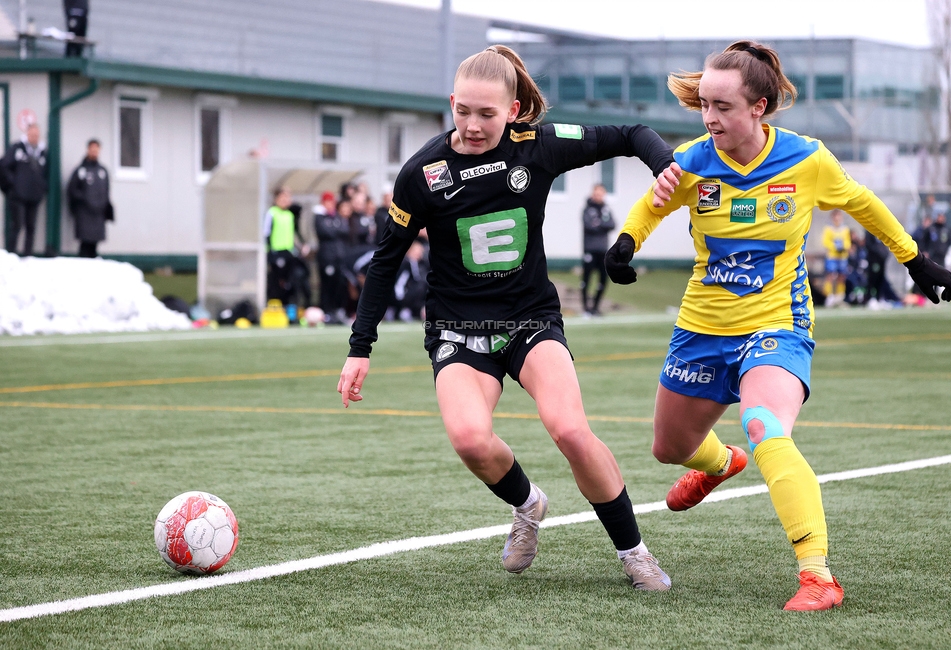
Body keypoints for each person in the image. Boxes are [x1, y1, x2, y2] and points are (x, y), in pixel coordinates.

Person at [605, 40, 951, 610]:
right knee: (669, 448)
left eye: (722, 106)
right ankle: (722, 464)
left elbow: (863, 203)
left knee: (765, 425)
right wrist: (625, 245)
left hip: (777, 322)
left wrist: (915, 259)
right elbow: (653, 204)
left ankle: (818, 575)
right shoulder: (693, 160)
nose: (709, 117)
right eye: (704, 106)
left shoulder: (806, 159)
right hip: (701, 327)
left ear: (759, 107)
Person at [337, 44, 682, 591]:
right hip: (457, 328)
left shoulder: (538, 146)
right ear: (451, 103)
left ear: (515, 110)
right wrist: (361, 347)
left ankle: (634, 552)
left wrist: (665, 165)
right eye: (463, 111)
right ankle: (528, 504)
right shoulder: (422, 173)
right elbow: (385, 261)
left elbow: (631, 131)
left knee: (569, 429)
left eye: (488, 114)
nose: (473, 125)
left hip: (530, 319)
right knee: (471, 440)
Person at [0, 123, 48, 256]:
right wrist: (13, 184)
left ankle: (28, 255)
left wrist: (42, 187)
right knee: (17, 225)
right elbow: (3, 166)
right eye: (32, 135)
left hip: (34, 196)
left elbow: (46, 174)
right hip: (17, 196)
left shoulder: (42, 152)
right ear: (27, 134)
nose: (34, 138)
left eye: (36, 135)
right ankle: (11, 255)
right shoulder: (17, 149)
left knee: (31, 227)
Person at [66, 138, 113, 258]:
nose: (94, 152)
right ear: (88, 150)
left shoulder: (103, 171)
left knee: (94, 246)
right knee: (85, 246)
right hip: (84, 214)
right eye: (92, 150)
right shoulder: (81, 170)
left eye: (96, 150)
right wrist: (84, 200)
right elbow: (72, 190)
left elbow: (106, 192)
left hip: (98, 214)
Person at [263, 186, 309, 306]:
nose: (285, 200)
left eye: (287, 197)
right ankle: (275, 308)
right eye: (282, 197)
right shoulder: (272, 213)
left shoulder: (290, 214)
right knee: (276, 283)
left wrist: (302, 246)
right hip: (276, 252)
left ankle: (290, 310)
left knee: (291, 283)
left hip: (289, 252)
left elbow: (295, 233)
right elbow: (266, 233)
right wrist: (270, 251)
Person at [580, 183, 615, 316]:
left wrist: (599, 223)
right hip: (590, 249)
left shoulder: (606, 209)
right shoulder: (587, 209)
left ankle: (595, 307)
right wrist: (602, 225)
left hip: (603, 250)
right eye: (596, 193)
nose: (598, 196)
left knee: (603, 279)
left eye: (600, 194)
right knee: (586, 279)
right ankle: (585, 309)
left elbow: (612, 224)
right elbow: (589, 226)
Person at [314, 191, 348, 323]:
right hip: (327, 258)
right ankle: (326, 312)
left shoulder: (336, 217)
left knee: (338, 285)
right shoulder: (319, 217)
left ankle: (335, 311)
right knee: (326, 286)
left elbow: (344, 230)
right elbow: (324, 232)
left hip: (338, 257)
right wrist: (335, 230)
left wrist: (334, 229)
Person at [821, 209, 851, 307]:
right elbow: (826, 242)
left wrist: (844, 247)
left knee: (841, 276)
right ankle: (829, 297)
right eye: (836, 216)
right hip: (832, 256)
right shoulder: (828, 229)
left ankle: (840, 297)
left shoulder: (845, 229)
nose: (837, 218)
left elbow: (848, 242)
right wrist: (834, 247)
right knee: (831, 275)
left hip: (842, 256)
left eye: (839, 216)